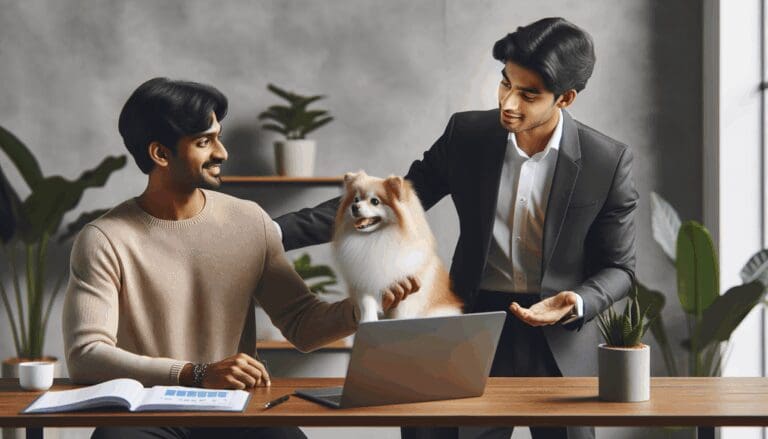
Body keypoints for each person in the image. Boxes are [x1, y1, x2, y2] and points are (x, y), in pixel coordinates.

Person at [273, 17, 638, 439]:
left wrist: (575, 300)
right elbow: (391, 204)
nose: (508, 103)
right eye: (505, 84)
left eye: (528, 94)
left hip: (558, 339)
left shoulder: (606, 161)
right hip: (471, 324)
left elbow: (619, 268)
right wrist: (267, 231)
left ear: (566, 98)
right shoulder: (467, 136)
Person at [62, 77, 418, 439]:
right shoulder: (104, 239)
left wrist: (365, 305)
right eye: (204, 142)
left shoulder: (249, 221)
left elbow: (302, 324)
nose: (222, 152)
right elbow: (86, 356)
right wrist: (196, 373)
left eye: (218, 136)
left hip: (234, 409)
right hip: (147, 414)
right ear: (160, 154)